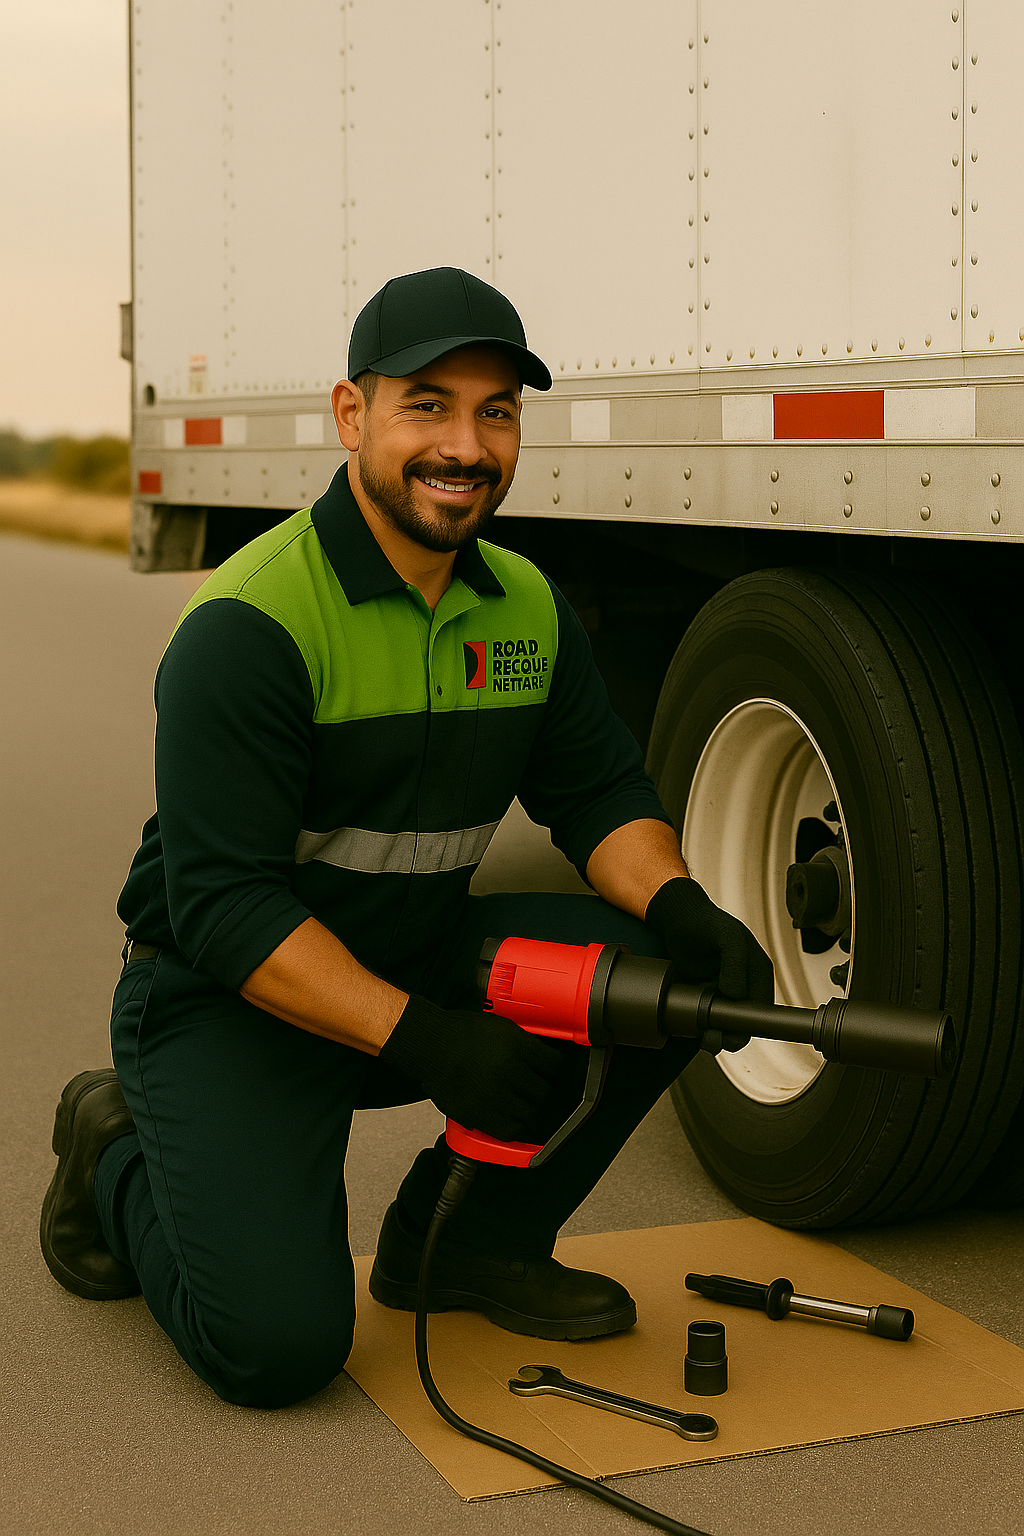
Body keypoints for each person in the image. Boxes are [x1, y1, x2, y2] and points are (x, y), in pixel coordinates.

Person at [40, 267, 773, 1409]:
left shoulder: (523, 606)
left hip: (415, 955)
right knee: (275, 1352)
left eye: (496, 412)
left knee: (660, 977)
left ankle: (468, 1246)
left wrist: (682, 906)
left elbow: (596, 797)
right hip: (223, 996)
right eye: (426, 404)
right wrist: (432, 1044)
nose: (464, 445)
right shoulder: (253, 625)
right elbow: (227, 910)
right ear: (352, 415)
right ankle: (116, 1149)